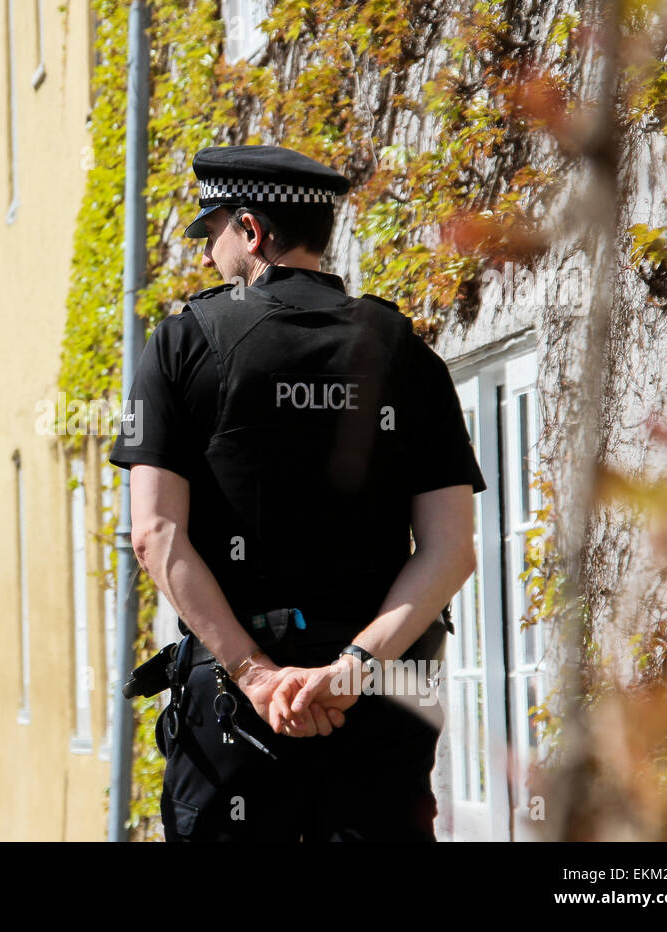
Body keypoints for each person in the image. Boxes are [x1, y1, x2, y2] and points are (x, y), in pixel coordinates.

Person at [110, 144, 485, 841]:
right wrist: (353, 669)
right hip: (383, 703)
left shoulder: (183, 344)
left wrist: (255, 674)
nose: (208, 254)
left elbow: (155, 535)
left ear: (251, 231)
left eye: (214, 231)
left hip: (235, 712)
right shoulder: (405, 351)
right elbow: (451, 549)